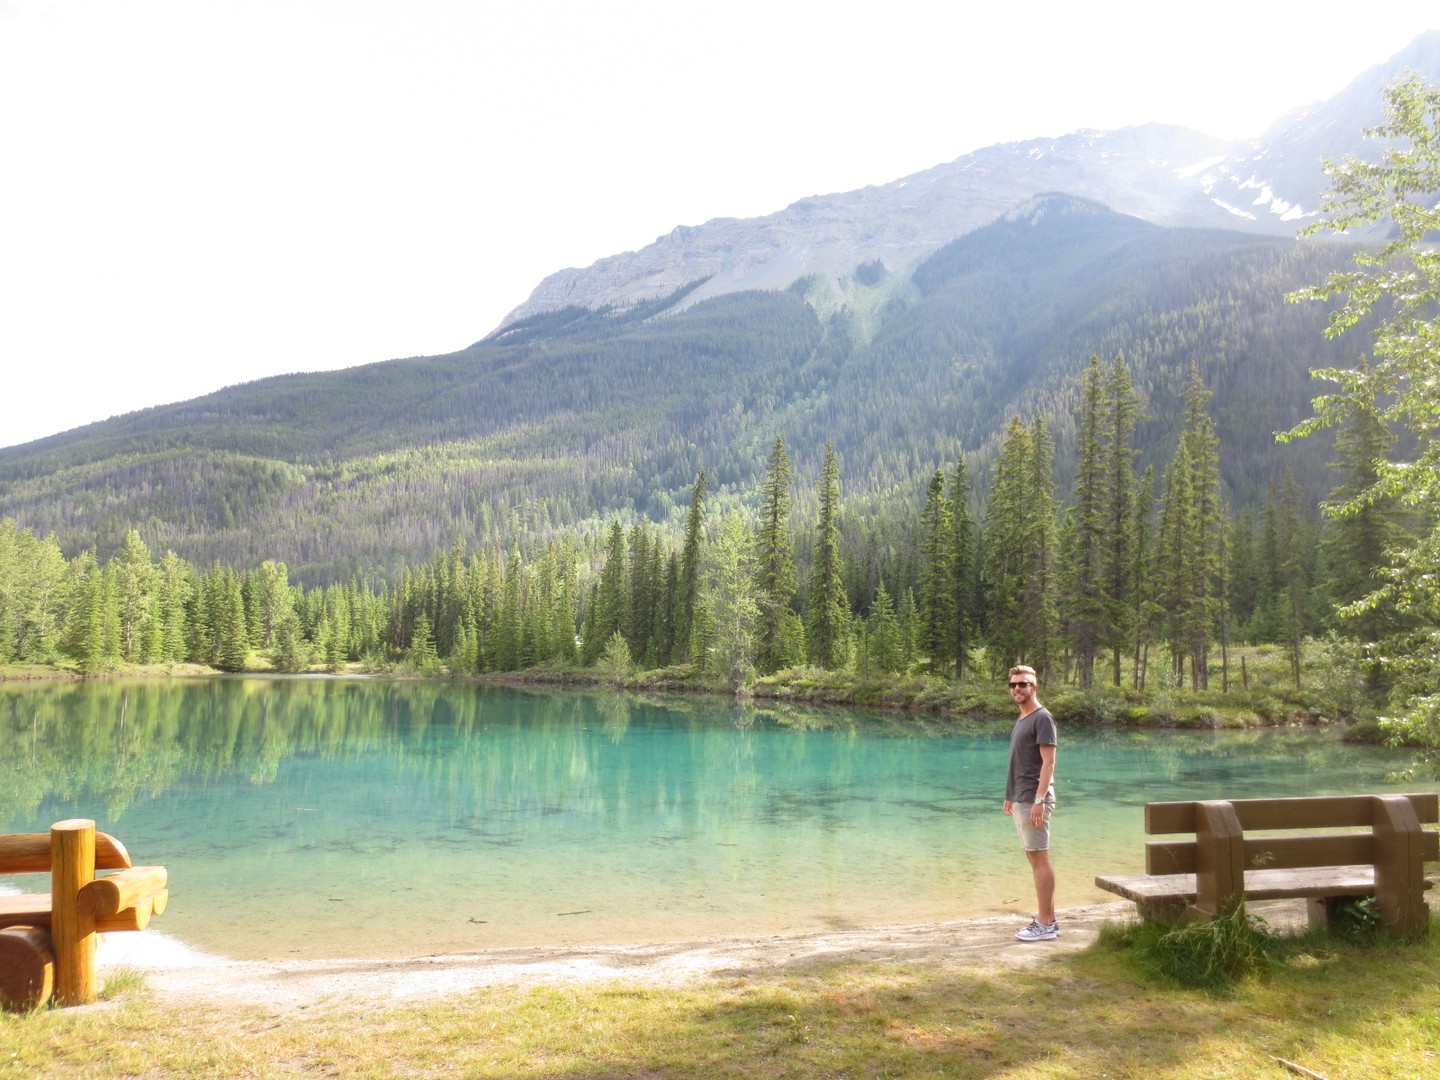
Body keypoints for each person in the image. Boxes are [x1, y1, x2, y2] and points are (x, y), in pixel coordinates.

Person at [1002, 664, 1059, 942]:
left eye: (1022, 684)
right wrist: (1009, 794)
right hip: (1021, 796)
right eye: (1013, 685)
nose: (1017, 689)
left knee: (1039, 858)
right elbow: (1020, 761)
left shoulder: (1042, 718)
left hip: (1035, 799)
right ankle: (1049, 919)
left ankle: (1045, 924)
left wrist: (1039, 800)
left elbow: (1048, 763)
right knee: (1034, 857)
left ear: (1034, 687)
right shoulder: (1023, 718)